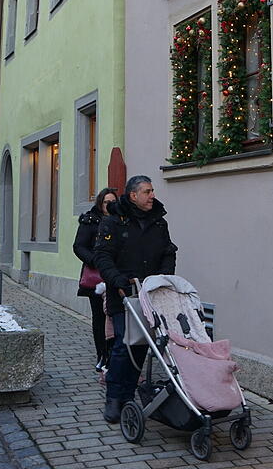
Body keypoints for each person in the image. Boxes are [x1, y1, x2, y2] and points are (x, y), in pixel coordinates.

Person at [94, 175, 177, 423]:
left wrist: (163, 278)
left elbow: (168, 252)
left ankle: (129, 394)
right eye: (147, 191)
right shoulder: (112, 223)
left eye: (152, 191)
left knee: (141, 345)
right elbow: (102, 257)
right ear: (133, 195)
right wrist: (117, 280)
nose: (152, 195)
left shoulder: (158, 223)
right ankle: (114, 397)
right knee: (122, 345)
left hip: (149, 295)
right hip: (124, 294)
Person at [73, 187, 117, 372]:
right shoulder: (90, 221)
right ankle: (102, 355)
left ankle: (114, 354)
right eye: (107, 202)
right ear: (100, 203)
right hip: (97, 278)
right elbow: (79, 246)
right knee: (99, 317)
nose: (110, 205)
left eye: (113, 202)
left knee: (115, 316)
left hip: (115, 276)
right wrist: (95, 260)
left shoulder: (121, 221)